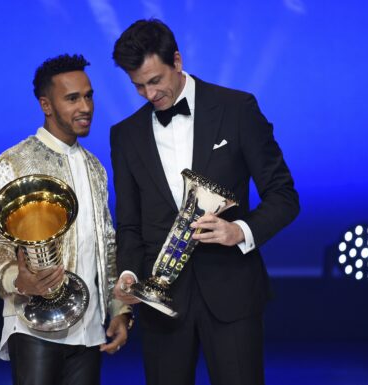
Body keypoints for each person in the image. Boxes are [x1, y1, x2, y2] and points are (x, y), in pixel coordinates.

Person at [109, 19, 300, 385]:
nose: (149, 94)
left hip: (232, 296)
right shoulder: (125, 135)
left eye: (155, 81)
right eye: (138, 86)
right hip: (161, 306)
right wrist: (129, 276)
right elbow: (130, 224)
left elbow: (284, 196)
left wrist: (239, 231)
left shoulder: (237, 108)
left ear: (177, 61)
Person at [0, 54, 132, 385]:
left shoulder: (95, 167)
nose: (86, 107)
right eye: (73, 98)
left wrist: (119, 310)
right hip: (33, 325)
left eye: (89, 95)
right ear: (46, 105)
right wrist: (18, 282)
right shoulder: (13, 162)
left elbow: (106, 245)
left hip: (89, 330)